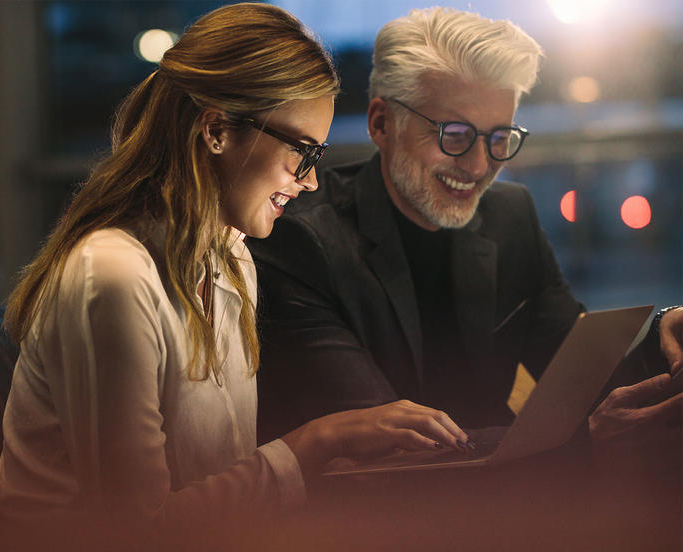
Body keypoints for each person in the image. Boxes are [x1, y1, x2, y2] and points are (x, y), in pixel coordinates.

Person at [0, 3, 470, 534]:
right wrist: (318, 443)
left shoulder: (231, 258)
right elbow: (137, 539)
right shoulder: (112, 275)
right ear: (217, 129)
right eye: (302, 153)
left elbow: (217, 500)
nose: (309, 181)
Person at [245, 7, 683, 444]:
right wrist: (575, 442)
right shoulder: (301, 240)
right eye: (453, 134)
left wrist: (658, 341)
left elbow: (578, 371)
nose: (479, 166)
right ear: (381, 123)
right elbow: (384, 446)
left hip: (510, 495)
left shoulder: (510, 215)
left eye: (499, 138)